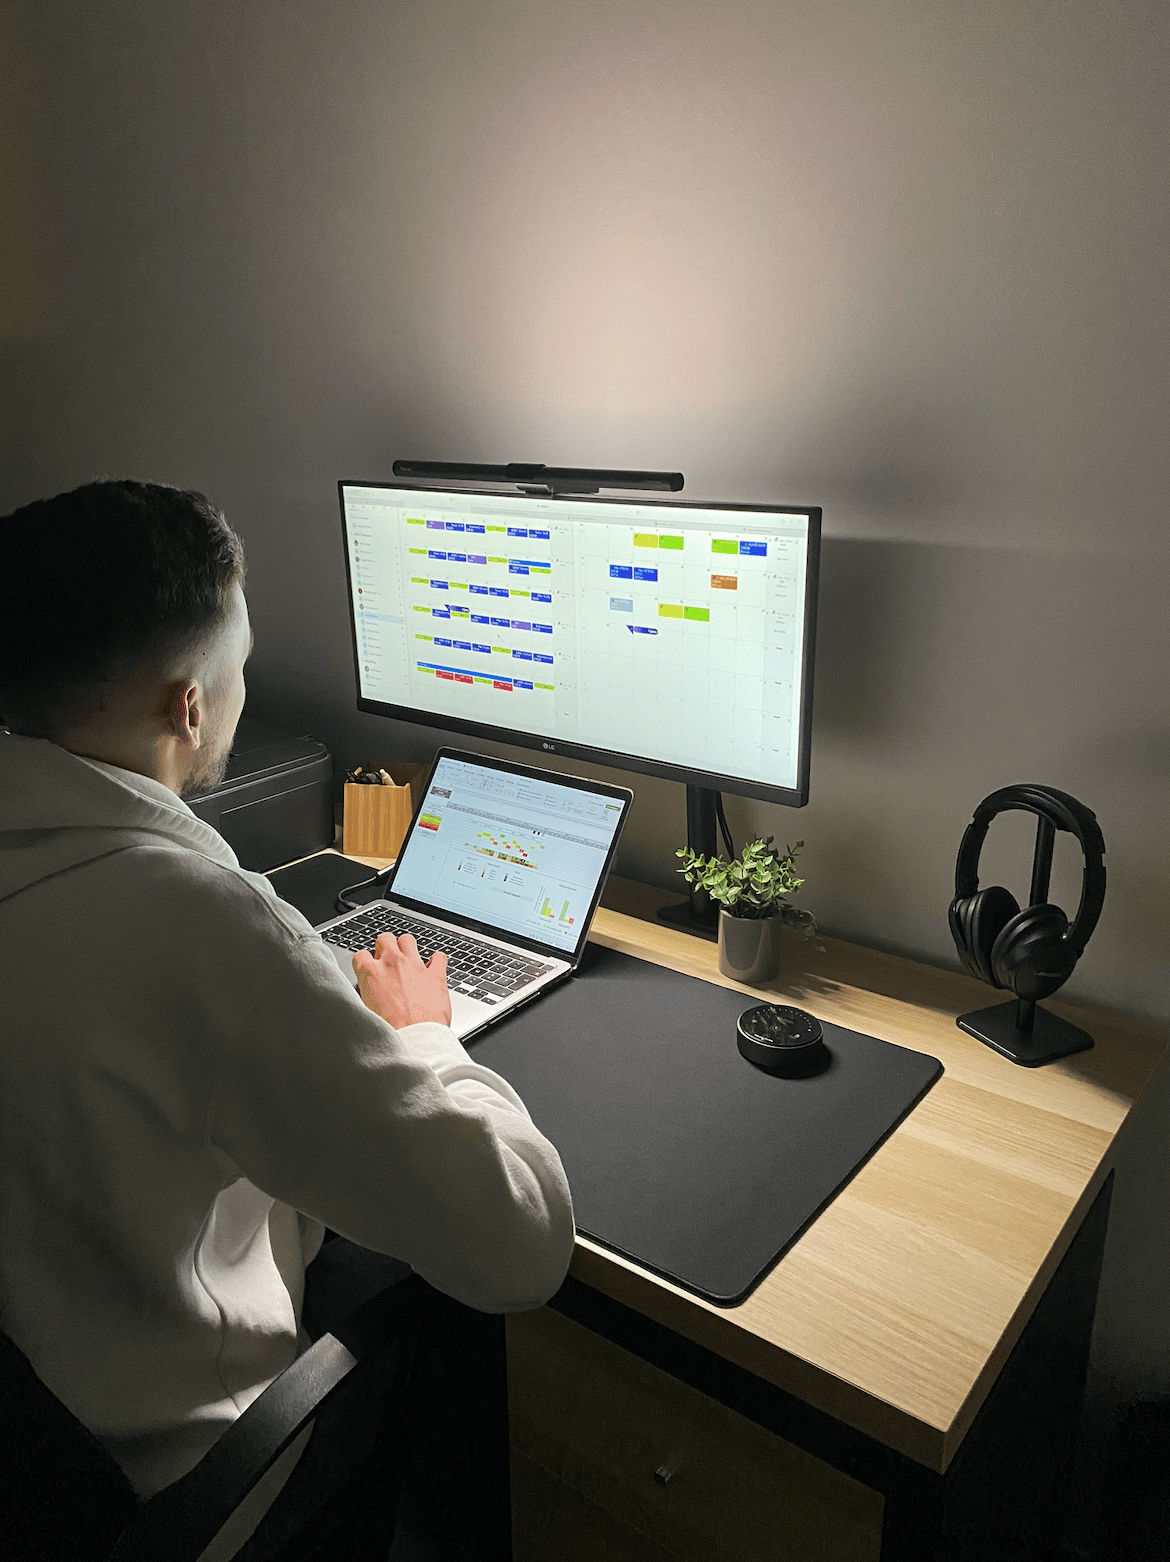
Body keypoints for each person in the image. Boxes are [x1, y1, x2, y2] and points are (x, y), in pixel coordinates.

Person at [0, 480, 575, 1546]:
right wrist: (422, 1032)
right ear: (190, 707)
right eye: (241, 666)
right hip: (180, 1487)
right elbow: (523, 1240)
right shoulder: (196, 925)